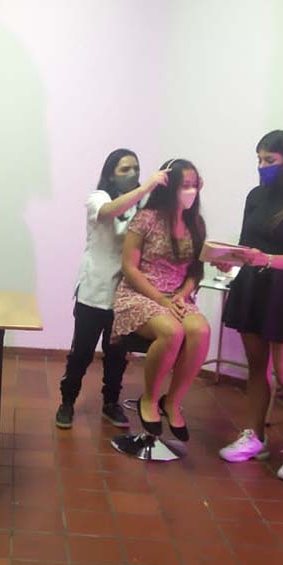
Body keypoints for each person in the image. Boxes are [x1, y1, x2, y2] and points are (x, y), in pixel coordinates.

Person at [218, 130, 283, 483]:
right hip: (253, 288)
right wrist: (229, 259)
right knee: (256, 369)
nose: (262, 166)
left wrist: (264, 258)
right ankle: (254, 436)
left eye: (270, 160)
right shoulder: (256, 196)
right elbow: (246, 246)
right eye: (259, 160)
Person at [56, 149, 170, 430]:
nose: (132, 174)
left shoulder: (143, 205)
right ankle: (67, 401)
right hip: (94, 291)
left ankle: (111, 403)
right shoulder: (98, 198)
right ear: (110, 174)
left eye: (136, 168)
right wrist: (145, 187)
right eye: (124, 169)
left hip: (125, 295)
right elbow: (110, 212)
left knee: (117, 354)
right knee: (82, 353)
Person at [112, 159, 210, 444]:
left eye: (194, 185)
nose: (190, 191)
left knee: (201, 331)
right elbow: (129, 268)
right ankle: (150, 399)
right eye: (184, 185)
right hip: (139, 293)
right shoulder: (146, 219)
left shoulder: (196, 223)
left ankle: (173, 401)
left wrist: (181, 295)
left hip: (177, 295)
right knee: (172, 331)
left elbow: (196, 271)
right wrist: (161, 300)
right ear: (169, 187)